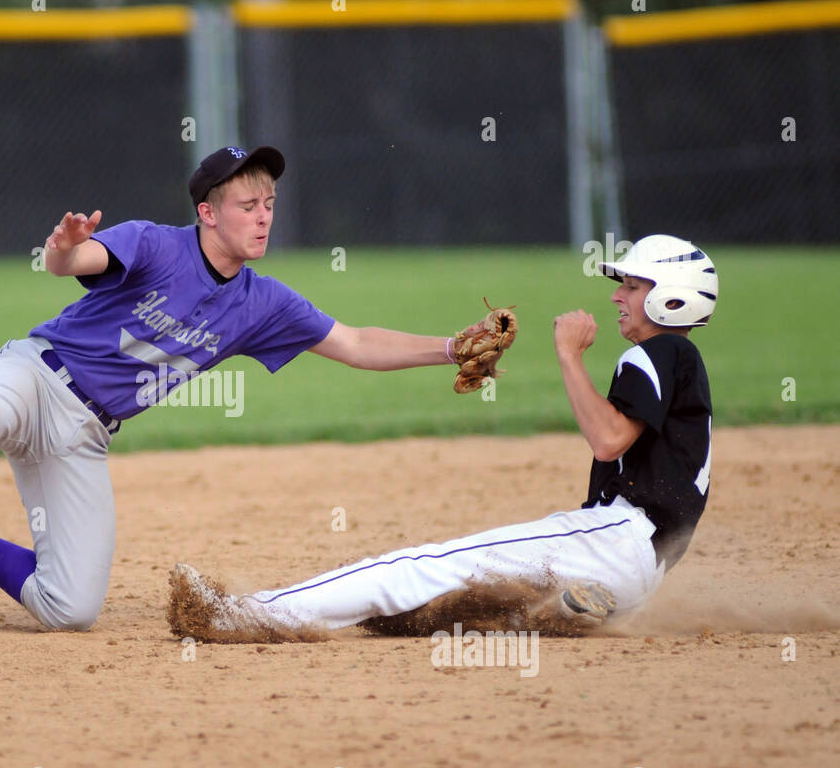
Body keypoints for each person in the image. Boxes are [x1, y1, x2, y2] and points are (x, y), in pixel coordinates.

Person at [0, 146, 498, 631]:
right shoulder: (156, 243)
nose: (263, 214)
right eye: (247, 202)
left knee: (71, 607)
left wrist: (447, 348)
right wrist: (62, 249)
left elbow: (356, 342)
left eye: (269, 201)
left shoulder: (264, 303)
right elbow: (78, 258)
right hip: (38, 374)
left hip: (83, 434)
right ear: (208, 211)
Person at [169, 234, 717, 639]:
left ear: (671, 299)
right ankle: (561, 613)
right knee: (469, 596)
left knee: (419, 566)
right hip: (636, 573)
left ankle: (246, 614)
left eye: (632, 284)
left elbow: (609, 439)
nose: (618, 295)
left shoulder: (659, 350)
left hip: (613, 539)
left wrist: (569, 355)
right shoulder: (681, 362)